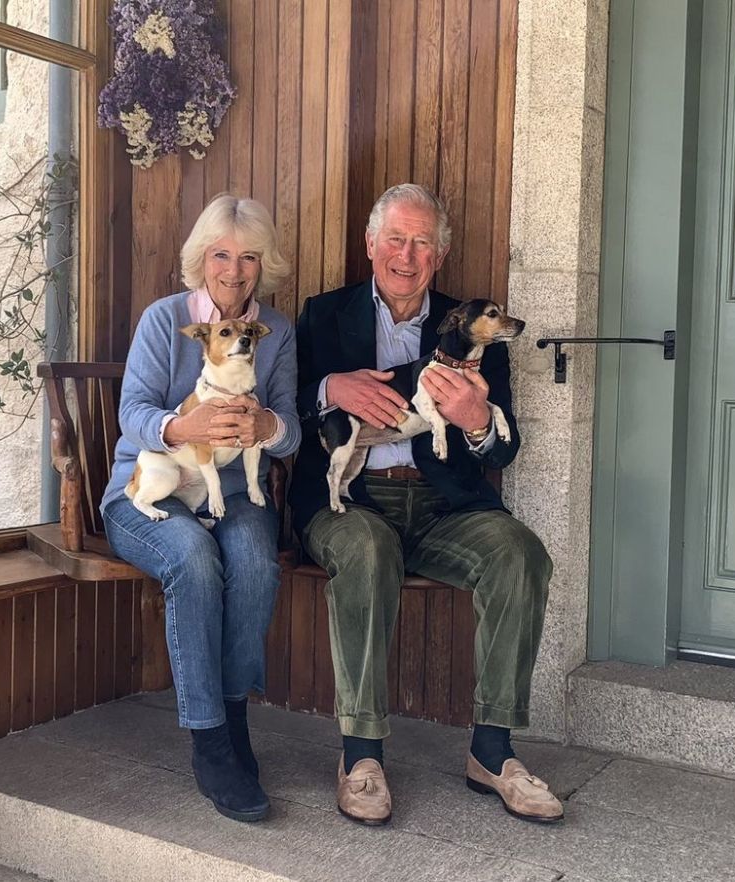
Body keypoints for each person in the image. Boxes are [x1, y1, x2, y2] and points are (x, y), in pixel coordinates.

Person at [289, 184, 561, 825]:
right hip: (352, 501)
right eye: (395, 239)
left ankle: (492, 752)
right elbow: (283, 404)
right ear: (370, 244)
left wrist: (476, 421)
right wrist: (331, 388)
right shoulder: (323, 315)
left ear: (439, 255)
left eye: (421, 244)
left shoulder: (471, 328)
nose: (406, 256)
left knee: (520, 554)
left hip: (445, 506)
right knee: (366, 548)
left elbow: (503, 449)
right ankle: (361, 756)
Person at [101, 194, 300, 823]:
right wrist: (181, 427)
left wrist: (268, 426)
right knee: (192, 558)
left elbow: (292, 430)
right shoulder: (164, 320)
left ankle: (234, 719)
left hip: (233, 492)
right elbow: (132, 412)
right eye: (221, 255)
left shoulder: (277, 332)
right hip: (149, 489)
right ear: (201, 259)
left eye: (248, 257)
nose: (234, 271)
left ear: (263, 264)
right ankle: (211, 740)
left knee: (255, 560)